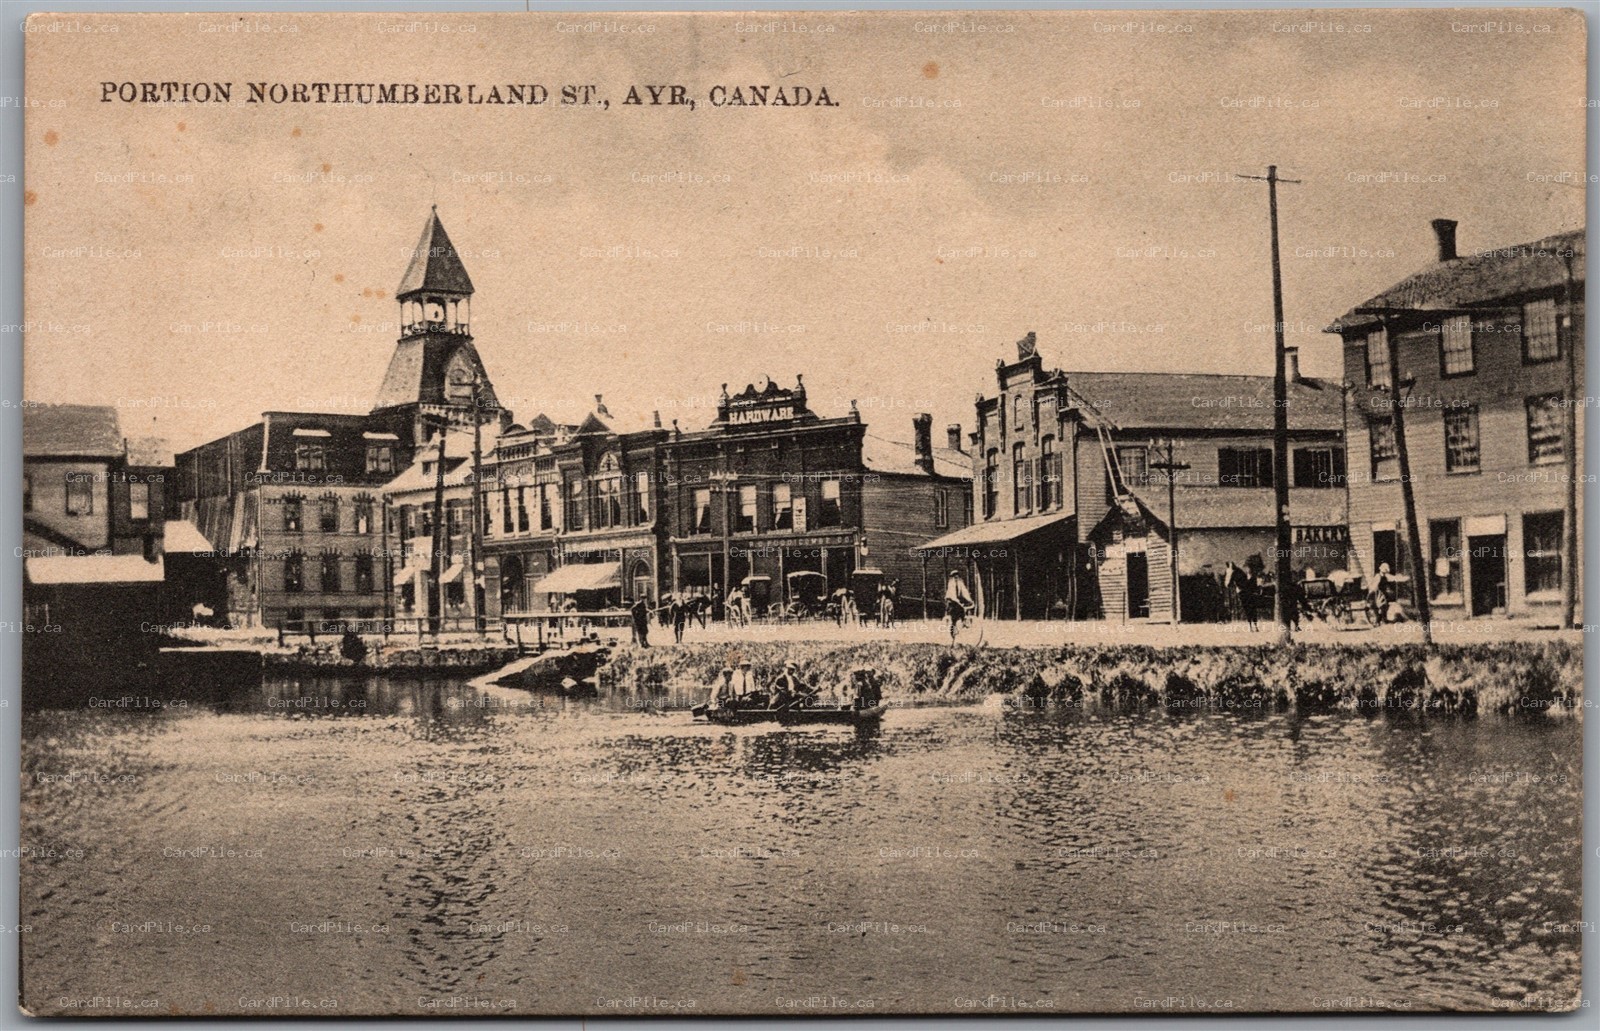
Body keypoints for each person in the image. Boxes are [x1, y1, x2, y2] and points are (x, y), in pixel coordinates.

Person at [944, 570, 974, 642]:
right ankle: (952, 634)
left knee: (962, 613)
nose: (956, 577)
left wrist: (970, 600)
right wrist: (959, 602)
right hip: (951, 602)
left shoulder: (960, 583)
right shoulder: (951, 584)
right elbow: (953, 595)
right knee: (953, 618)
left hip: (957, 602)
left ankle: (963, 624)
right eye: (954, 576)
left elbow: (965, 592)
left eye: (957, 575)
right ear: (952, 577)